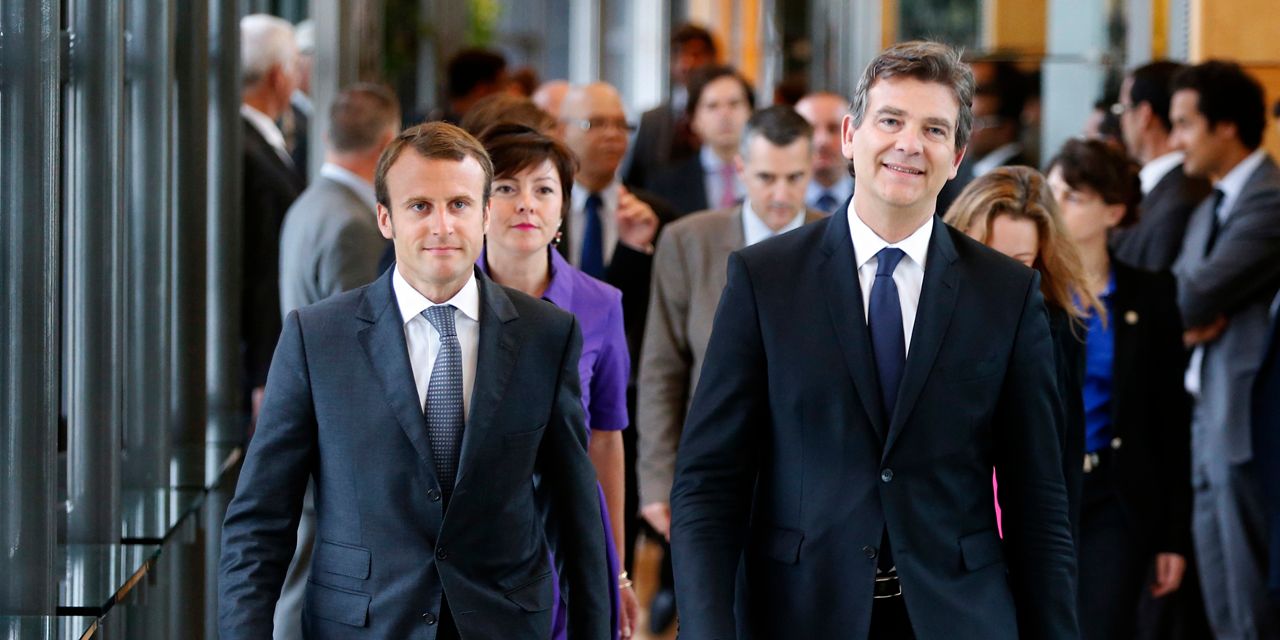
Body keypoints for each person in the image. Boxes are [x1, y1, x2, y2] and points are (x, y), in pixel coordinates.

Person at [670, 41, 1077, 639]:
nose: (909, 144)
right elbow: (708, 485)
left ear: (957, 156)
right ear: (848, 135)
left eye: (934, 129)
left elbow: (1038, 502)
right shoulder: (765, 279)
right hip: (799, 614)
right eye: (890, 120)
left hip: (957, 617)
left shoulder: (1006, 295)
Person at [218, 122, 610, 639]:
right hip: (362, 627)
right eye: (420, 206)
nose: (442, 226)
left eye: (459, 205)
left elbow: (575, 514)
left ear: (485, 214)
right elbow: (261, 519)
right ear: (386, 219)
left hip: (504, 623)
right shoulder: (317, 338)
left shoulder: (547, 336)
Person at [636, 105, 828, 633]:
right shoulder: (688, 241)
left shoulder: (840, 240)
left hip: (812, 467)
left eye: (795, 178)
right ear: (740, 169)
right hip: (717, 461)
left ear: (812, 170)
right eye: (766, 177)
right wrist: (657, 481)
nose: (781, 194)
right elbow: (662, 369)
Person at [474, 123, 638, 639]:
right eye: (506, 187)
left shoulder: (601, 304)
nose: (527, 204)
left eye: (543, 189)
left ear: (563, 209)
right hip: (472, 536)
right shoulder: (447, 298)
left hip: (565, 535)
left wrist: (617, 570)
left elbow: (606, 439)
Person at [1047, 138, 1193, 639]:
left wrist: (1173, 536)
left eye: (1073, 197)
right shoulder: (1026, 286)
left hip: (1114, 493)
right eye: (1052, 192)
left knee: (1101, 626)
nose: (1055, 206)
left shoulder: (1151, 295)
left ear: (1112, 211)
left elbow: (1170, 420)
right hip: (1042, 489)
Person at [271, 83, 400, 640]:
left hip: (310, 411)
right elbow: (362, 344)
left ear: (328, 135)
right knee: (312, 569)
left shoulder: (309, 204)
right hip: (336, 427)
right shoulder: (354, 225)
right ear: (388, 144)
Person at [1169, 60, 1280, 639]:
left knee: (1250, 596)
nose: (1176, 140)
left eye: (1186, 124)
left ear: (1227, 126)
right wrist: (1184, 327)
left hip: (1243, 423)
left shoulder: (1270, 200)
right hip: (1203, 411)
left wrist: (1182, 317)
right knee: (1219, 589)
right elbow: (1176, 302)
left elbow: (1191, 296)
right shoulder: (1209, 205)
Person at [943, 166, 1095, 535]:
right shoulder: (921, 316)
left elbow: (1061, 465)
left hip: (1015, 537)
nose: (998, 275)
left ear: (1041, 261)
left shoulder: (1059, 331)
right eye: (984, 253)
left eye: (1018, 263)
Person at [239, 14, 305, 418]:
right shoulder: (249, 153)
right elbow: (262, 266)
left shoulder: (244, 140)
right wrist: (265, 370)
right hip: (248, 358)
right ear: (280, 76)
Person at [1110, 61, 1213, 272]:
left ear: (1144, 115)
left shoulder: (1181, 200)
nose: (1121, 122)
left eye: (1123, 109)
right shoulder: (1159, 190)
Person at [649, 65, 755, 215]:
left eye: (734, 104)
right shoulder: (665, 185)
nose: (725, 115)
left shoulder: (774, 176)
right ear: (693, 120)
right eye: (712, 106)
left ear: (751, 113)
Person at [624, 23, 718, 190]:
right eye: (678, 55)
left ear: (713, 59)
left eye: (696, 55)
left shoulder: (732, 115)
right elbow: (634, 182)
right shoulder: (651, 121)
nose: (686, 64)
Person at [796, 92, 854, 212]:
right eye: (810, 129)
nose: (822, 141)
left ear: (851, 135)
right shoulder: (778, 205)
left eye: (833, 129)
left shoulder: (875, 201)